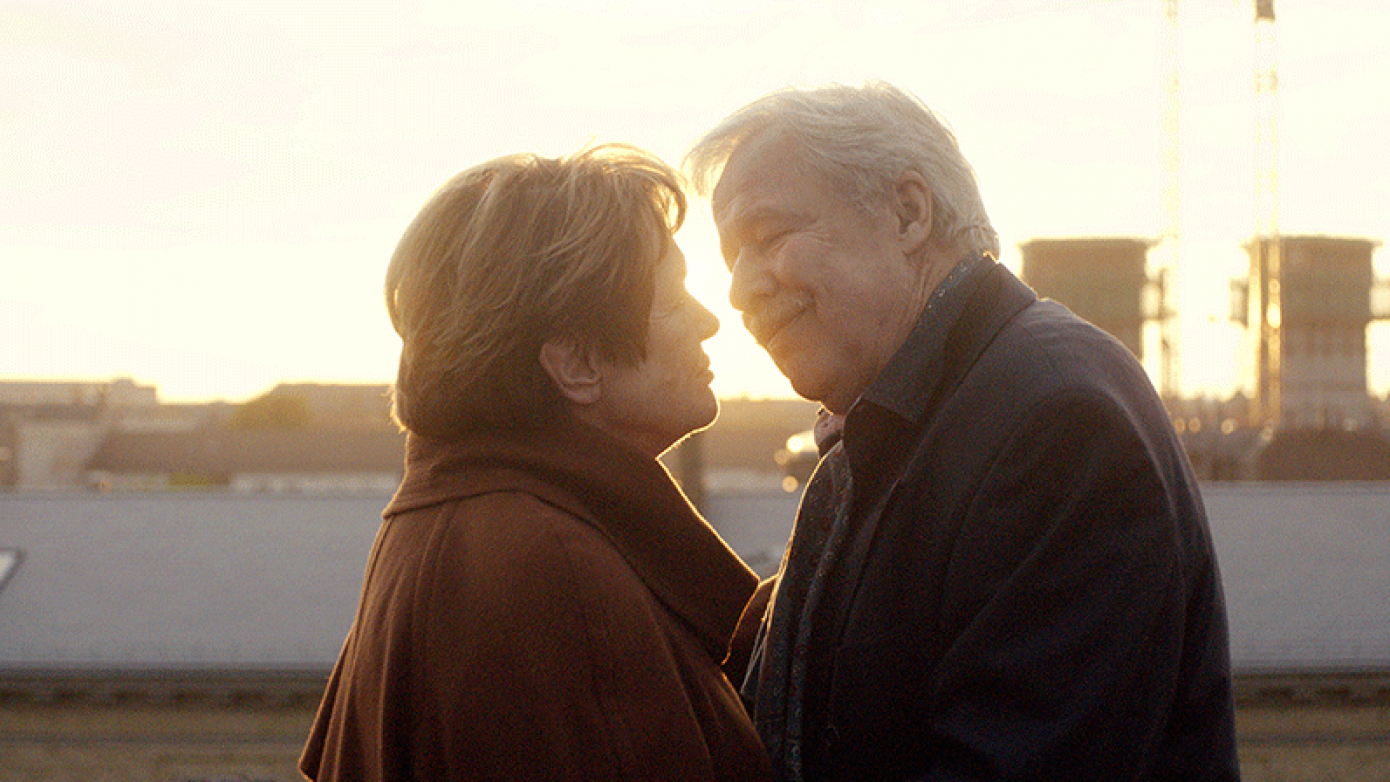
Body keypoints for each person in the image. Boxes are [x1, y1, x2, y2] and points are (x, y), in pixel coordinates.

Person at [685, 82, 1240, 781]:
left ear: (908, 213)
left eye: (767, 238)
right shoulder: (914, 425)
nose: (738, 291)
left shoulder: (1056, 423)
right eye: (730, 259)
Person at [300, 145, 772, 781]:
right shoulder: (549, 569)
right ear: (575, 363)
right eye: (673, 298)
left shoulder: (462, 528)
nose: (710, 320)